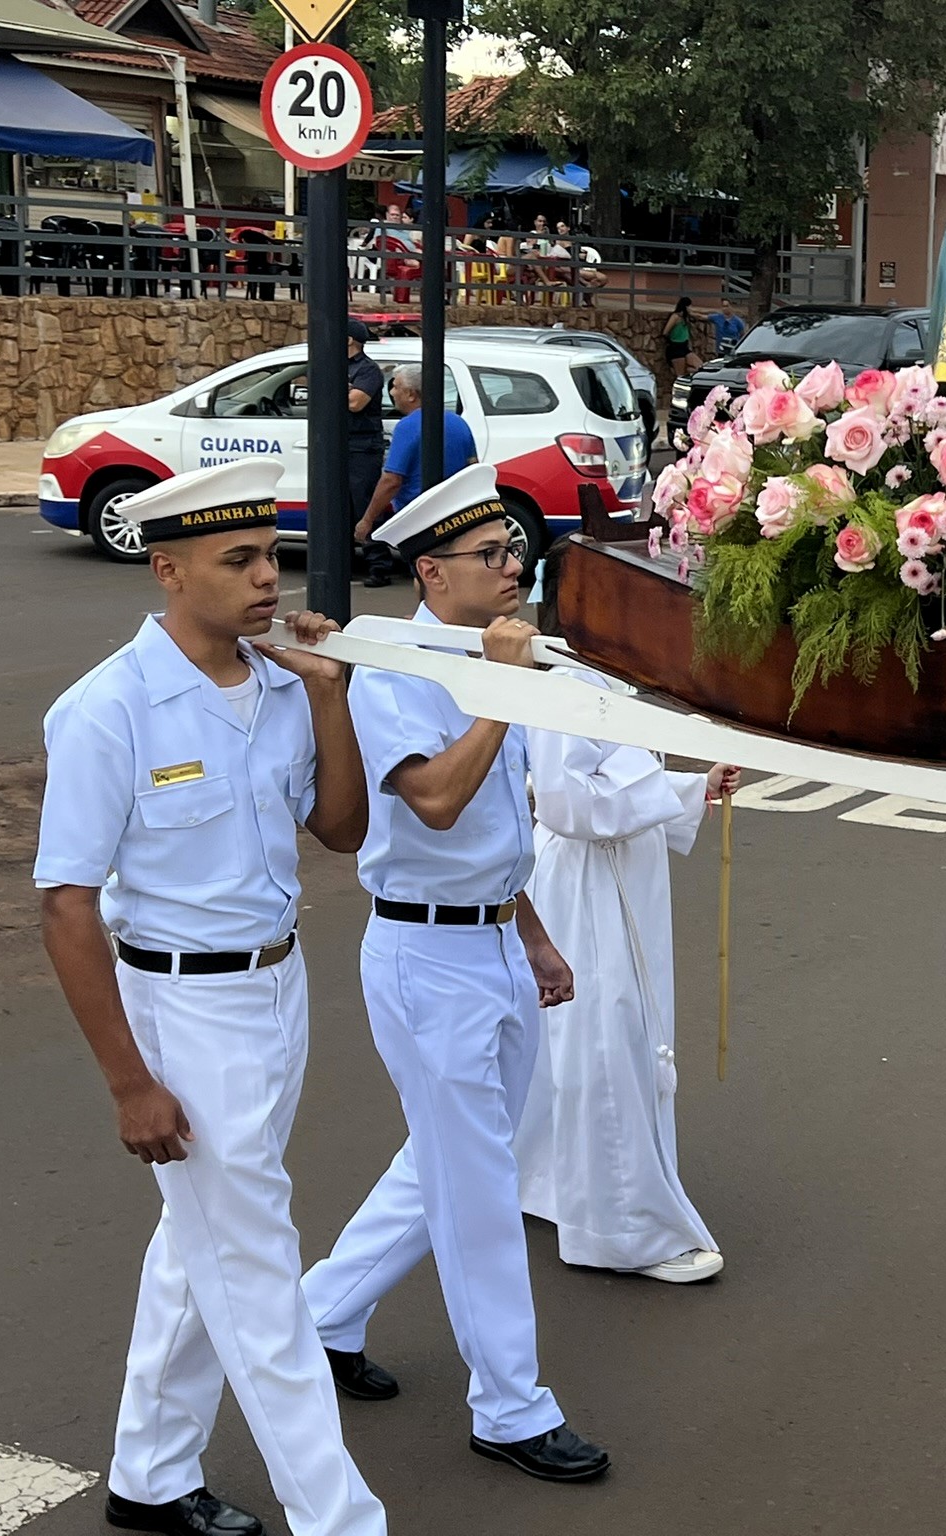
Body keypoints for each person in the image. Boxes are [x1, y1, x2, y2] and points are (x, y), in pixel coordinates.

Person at [33, 458, 386, 1536]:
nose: (265, 578)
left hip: (276, 987)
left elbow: (341, 832)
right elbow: (67, 906)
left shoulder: (282, 686)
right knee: (255, 1267)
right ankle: (339, 1518)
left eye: (270, 554)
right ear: (168, 571)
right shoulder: (107, 710)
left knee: (203, 1245)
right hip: (181, 1012)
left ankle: (149, 1473)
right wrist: (130, 1084)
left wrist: (330, 700)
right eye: (237, 560)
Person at [302, 464, 611, 1484]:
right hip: (423, 955)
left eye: (513, 551)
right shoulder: (398, 668)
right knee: (476, 1186)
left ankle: (320, 1316)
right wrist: (501, 696)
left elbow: (491, 830)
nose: (513, 567)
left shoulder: (482, 656)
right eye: (491, 556)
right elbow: (433, 801)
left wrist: (530, 934)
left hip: (491, 941)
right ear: (432, 572)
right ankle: (511, 1407)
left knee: (448, 1161)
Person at [516, 686, 738, 1282]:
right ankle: (622, 1230)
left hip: (622, 865)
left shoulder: (606, 675)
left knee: (594, 1032)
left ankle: (548, 1179)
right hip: (589, 876)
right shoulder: (560, 679)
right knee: (604, 1035)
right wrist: (656, 784)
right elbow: (567, 802)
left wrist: (692, 788)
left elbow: (613, 779)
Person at [353, 364, 477, 585]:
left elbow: (392, 480)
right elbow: (472, 467)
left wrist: (367, 520)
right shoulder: (459, 423)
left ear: (411, 394)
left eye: (396, 386)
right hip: (453, 512)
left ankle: (426, 614)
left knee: (423, 573)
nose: (391, 392)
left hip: (419, 515)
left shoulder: (408, 427)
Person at [345, 321, 388, 586]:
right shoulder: (340, 369)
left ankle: (379, 565)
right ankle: (343, 564)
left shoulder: (367, 369)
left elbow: (355, 403)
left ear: (350, 340)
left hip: (362, 447)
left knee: (364, 506)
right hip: (341, 445)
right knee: (341, 509)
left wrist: (340, 390)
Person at [663, 296, 697, 380]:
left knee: (698, 367)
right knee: (680, 375)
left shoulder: (686, 318)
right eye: (689, 306)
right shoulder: (675, 317)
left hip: (684, 347)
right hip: (676, 348)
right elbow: (665, 332)